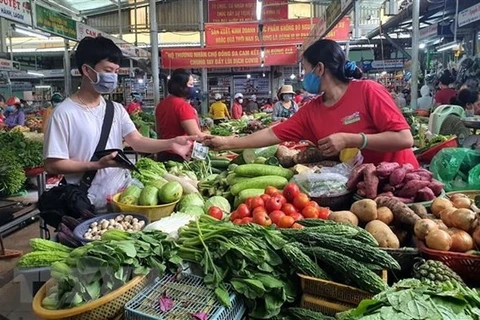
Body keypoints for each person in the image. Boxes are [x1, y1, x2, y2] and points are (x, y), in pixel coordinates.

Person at [205, 39, 418, 167]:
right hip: (363, 188)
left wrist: (350, 139)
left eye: (305, 70)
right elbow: (272, 134)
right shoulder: (311, 110)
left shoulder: (368, 90)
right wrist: (228, 143)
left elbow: (404, 138)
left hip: (403, 181)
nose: (303, 76)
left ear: (320, 68)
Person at [43, 36, 196, 209]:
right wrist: (95, 165)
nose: (113, 77)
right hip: (86, 203)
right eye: (108, 70)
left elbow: (137, 141)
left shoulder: (115, 109)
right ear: (87, 70)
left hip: (122, 198)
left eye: (116, 71)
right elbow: (52, 164)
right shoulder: (63, 114)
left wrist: (171, 143)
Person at [155, 68, 204, 162]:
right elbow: (196, 136)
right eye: (191, 84)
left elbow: (158, 131)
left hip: (163, 153)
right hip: (180, 155)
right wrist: (224, 140)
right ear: (182, 87)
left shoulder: (161, 105)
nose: (193, 88)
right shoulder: (183, 107)